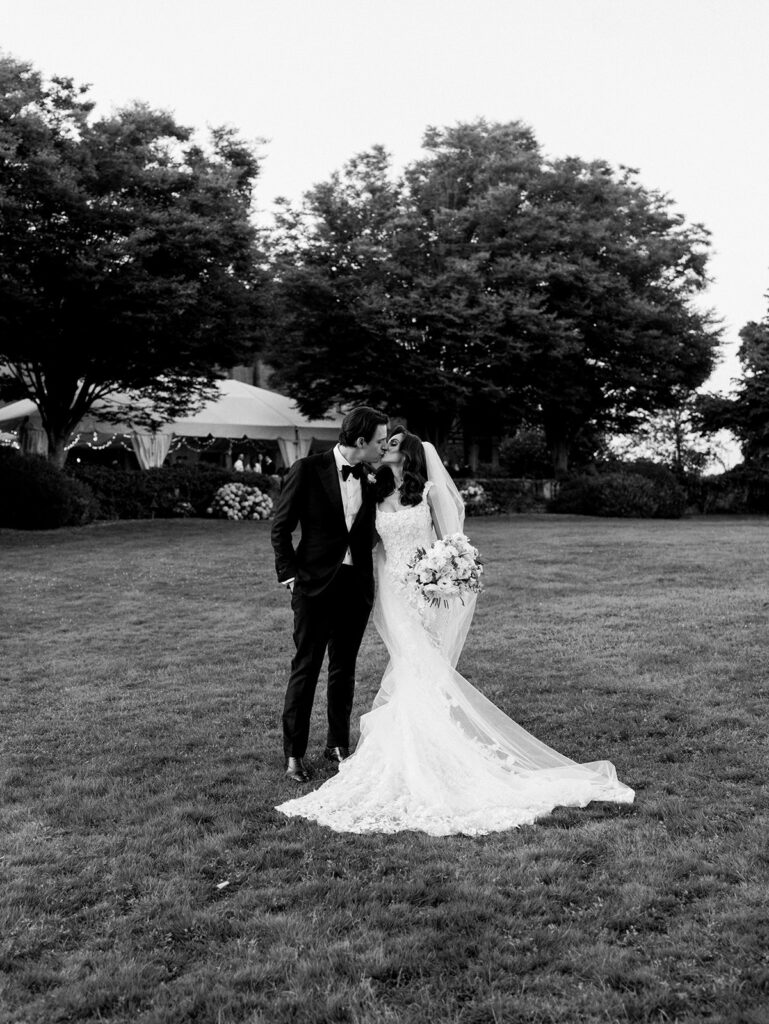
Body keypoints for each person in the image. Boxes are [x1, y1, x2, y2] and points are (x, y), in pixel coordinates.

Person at [276, 429, 634, 835]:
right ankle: (360, 747)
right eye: (381, 441)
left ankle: (421, 749)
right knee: (398, 664)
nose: (383, 448)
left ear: (407, 454)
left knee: (413, 665)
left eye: (391, 444)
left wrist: (440, 578)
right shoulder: (374, 488)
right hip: (388, 592)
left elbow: (454, 544)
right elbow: (362, 537)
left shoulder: (429, 492)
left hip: (421, 592)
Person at [270, 406, 389, 783]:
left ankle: (338, 744)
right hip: (313, 587)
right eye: (380, 441)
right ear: (360, 442)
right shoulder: (307, 469)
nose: (384, 447)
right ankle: (294, 754)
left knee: (344, 669)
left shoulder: (373, 478)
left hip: (356, 589)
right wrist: (290, 576)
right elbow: (281, 528)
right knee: (306, 668)